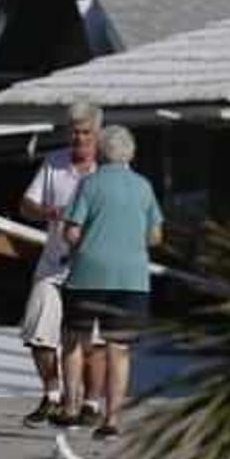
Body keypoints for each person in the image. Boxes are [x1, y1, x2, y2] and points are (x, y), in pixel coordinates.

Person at [60, 125, 163, 439]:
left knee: (75, 339)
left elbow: (72, 231)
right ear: (129, 153)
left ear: (100, 152)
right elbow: (156, 236)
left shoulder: (89, 184)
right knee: (119, 348)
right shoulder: (144, 187)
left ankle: (72, 407)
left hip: (88, 273)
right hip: (131, 278)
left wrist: (78, 244)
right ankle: (112, 419)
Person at [18, 103, 105, 428]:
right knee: (38, 331)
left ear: (96, 135)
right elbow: (26, 204)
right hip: (53, 264)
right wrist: (47, 212)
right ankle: (52, 396)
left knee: (92, 340)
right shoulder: (54, 162)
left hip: (92, 268)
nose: (79, 138)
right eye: (74, 132)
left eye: (85, 132)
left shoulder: (106, 168)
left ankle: (91, 403)